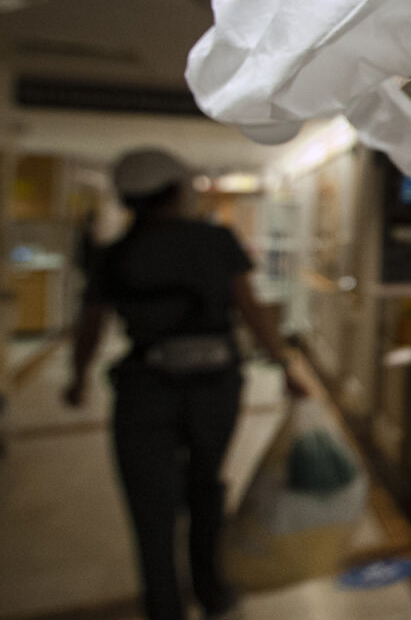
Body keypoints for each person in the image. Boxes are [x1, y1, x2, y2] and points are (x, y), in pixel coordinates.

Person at [63, 149, 303, 620]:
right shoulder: (216, 241)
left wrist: (78, 379)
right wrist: (284, 364)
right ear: (176, 191)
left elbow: (88, 326)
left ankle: (164, 605)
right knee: (206, 486)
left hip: (144, 391)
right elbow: (250, 309)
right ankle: (211, 591)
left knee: (151, 509)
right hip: (215, 388)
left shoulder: (114, 255)